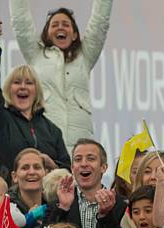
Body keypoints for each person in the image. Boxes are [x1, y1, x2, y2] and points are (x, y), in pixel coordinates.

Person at [10, 0, 114, 152]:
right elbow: (21, 23)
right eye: (55, 25)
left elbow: (100, 23)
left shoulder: (84, 57)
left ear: (74, 34)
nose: (60, 27)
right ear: (46, 34)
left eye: (66, 24)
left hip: (79, 147)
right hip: (46, 144)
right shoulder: (36, 55)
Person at [0, 18, 70, 182]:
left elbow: (67, 170)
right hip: (9, 200)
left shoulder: (52, 130)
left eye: (29, 83)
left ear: (37, 91)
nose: (23, 87)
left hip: (46, 202)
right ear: (8, 89)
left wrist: (52, 165)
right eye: (17, 82)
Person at [46, 138, 127, 228]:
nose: (84, 164)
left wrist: (106, 215)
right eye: (78, 159)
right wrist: (63, 208)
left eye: (91, 158)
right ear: (72, 168)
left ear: (103, 167)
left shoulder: (121, 205)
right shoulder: (57, 205)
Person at [8, 148, 47, 228]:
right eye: (25, 168)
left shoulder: (56, 205)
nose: (32, 172)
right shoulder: (5, 209)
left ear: (45, 174)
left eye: (37, 167)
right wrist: (28, 221)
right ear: (14, 176)